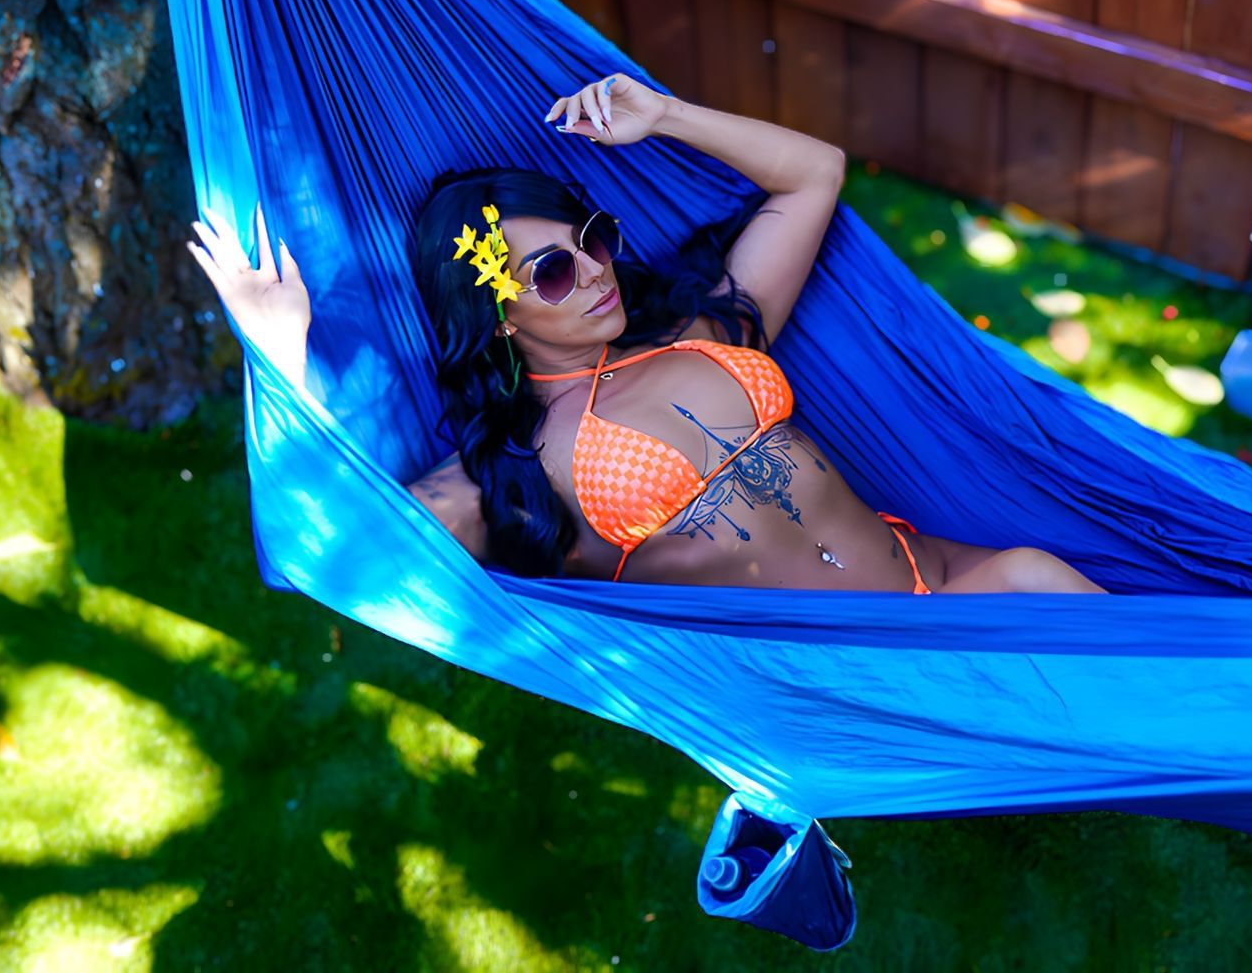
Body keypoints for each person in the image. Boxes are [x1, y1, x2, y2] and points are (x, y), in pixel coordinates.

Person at [188, 72, 1105, 596]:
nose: (592, 271)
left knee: (1043, 578)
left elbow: (814, 177)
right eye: (550, 270)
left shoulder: (701, 333)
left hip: (929, 580)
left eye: (590, 241)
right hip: (845, 684)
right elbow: (331, 555)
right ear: (498, 314)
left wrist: (667, 115)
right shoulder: (509, 474)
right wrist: (281, 363)